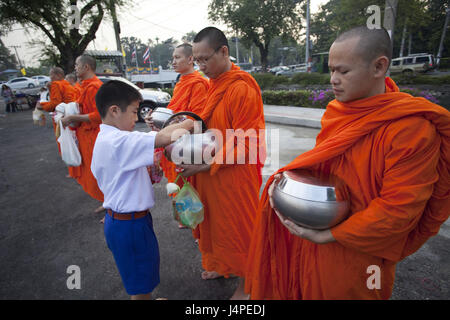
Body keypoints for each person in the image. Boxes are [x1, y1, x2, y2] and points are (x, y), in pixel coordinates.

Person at [245, 26, 450, 300]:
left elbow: (398, 212)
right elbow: (325, 167)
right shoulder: (338, 111)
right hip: (320, 235)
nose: (333, 79)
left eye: (343, 71)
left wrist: (329, 235)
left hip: (363, 252)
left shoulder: (411, 130)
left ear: (379, 67)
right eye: (331, 70)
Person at [177, 27, 265, 300]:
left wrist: (201, 165)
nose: (201, 66)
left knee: (239, 233)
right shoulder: (215, 85)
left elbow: (249, 144)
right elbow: (204, 121)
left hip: (235, 178)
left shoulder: (241, 88)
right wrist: (174, 131)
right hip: (213, 172)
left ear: (224, 52)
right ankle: (220, 266)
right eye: (198, 60)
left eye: (205, 59)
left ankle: (246, 285)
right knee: (215, 228)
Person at [91, 80, 194, 300]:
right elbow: (165, 137)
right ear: (114, 110)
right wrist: (189, 123)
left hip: (125, 222)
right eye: (134, 112)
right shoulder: (119, 141)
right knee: (138, 280)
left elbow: (152, 139)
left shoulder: (107, 138)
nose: (136, 118)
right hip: (130, 225)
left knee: (140, 273)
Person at [152, 43, 209, 228]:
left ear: (190, 59)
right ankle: (184, 216)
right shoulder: (181, 82)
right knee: (177, 180)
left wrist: (168, 130)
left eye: (177, 57)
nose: (173, 61)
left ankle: (195, 219)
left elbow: (196, 119)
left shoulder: (198, 83)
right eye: (173, 58)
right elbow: (174, 112)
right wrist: (158, 123)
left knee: (190, 181)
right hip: (174, 139)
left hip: (187, 142)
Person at [61, 55, 104, 213]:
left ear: (86, 67)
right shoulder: (84, 85)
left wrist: (74, 117)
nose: (75, 68)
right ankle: (105, 201)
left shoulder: (95, 87)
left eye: (77, 65)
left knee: (100, 171)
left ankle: (113, 208)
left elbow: (99, 115)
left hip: (95, 135)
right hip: (84, 135)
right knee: (92, 172)